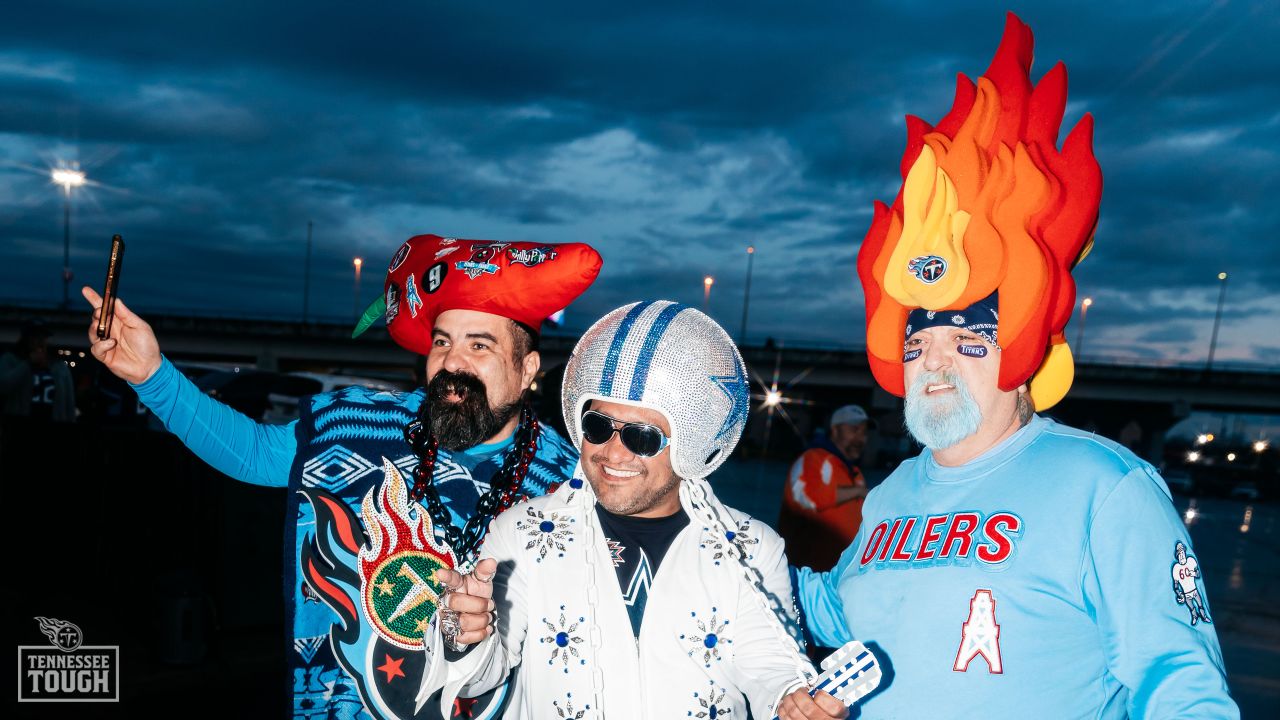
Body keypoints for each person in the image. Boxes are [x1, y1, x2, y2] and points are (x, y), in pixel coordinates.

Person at [788, 15, 1239, 718]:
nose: (933, 357)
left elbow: (1181, 686)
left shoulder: (1107, 489)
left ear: (1025, 340)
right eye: (917, 335)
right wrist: (707, 538)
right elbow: (836, 620)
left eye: (969, 333)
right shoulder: (895, 492)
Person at [84, 233, 601, 720]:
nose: (452, 363)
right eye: (442, 342)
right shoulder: (357, 426)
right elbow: (252, 452)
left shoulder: (568, 482)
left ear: (528, 367)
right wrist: (152, 378)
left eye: (480, 346)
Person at [422, 301, 847, 720]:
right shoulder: (522, 532)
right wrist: (466, 634)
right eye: (598, 427)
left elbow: (771, 666)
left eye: (642, 437)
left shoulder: (751, 546)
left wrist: (796, 701)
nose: (612, 453)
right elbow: (480, 675)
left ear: (689, 444)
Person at [778, 404, 870, 570]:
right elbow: (809, 498)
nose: (860, 438)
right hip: (808, 572)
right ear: (835, 430)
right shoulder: (813, 458)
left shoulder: (855, 472)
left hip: (841, 572)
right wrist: (860, 491)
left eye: (864, 432)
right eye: (854, 430)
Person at [1, 321, 76, 422]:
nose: (39, 341)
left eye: (43, 337)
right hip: (18, 425)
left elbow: (69, 401)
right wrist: (28, 363)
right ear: (25, 339)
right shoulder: (10, 360)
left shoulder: (59, 366)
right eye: (35, 336)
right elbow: (4, 386)